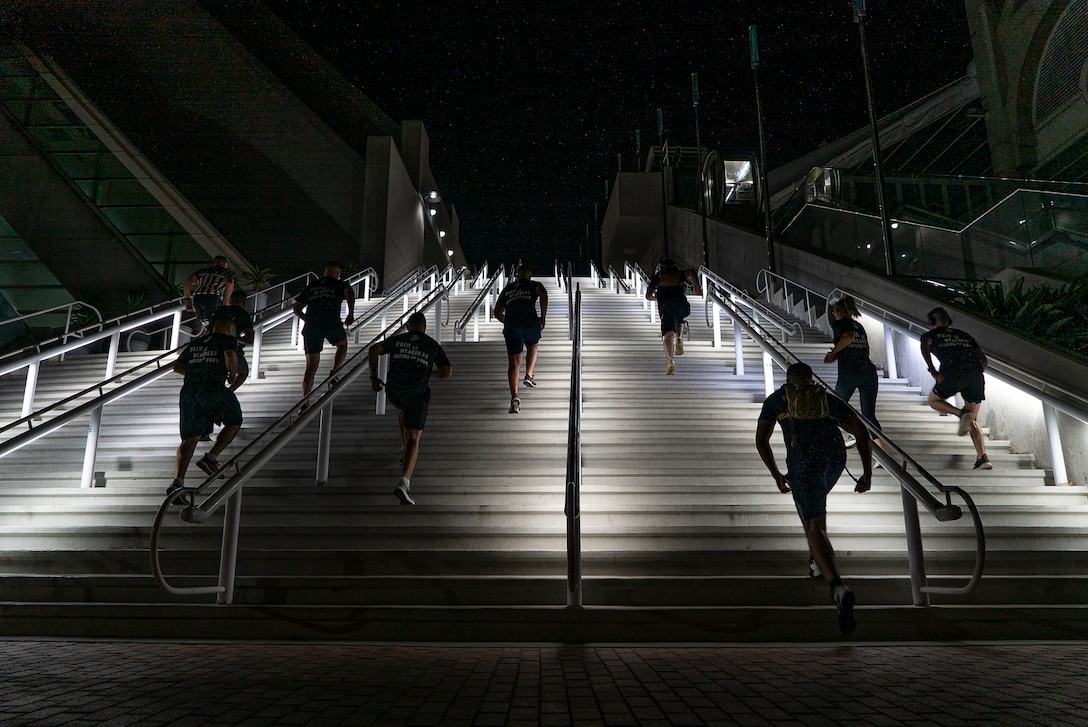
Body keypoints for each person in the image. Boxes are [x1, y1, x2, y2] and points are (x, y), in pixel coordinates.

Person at [755, 361, 872, 635]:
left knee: (813, 524)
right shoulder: (826, 398)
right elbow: (862, 432)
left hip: (803, 462)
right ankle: (816, 562)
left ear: (787, 380)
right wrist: (867, 473)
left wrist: (775, 474)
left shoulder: (776, 400)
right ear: (810, 378)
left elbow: (761, 440)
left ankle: (837, 587)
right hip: (833, 459)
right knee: (816, 508)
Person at [368, 311, 452, 505]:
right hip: (416, 393)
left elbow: (373, 350)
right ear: (424, 326)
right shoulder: (431, 344)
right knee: (414, 436)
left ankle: (403, 447)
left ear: (408, 326)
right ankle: (405, 482)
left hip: (394, 391)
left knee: (404, 410)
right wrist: (428, 373)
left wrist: (373, 378)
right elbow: (447, 372)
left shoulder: (399, 340)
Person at [168, 311, 243, 496]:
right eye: (233, 330)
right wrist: (232, 374)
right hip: (213, 388)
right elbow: (230, 355)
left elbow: (177, 366)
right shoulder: (227, 340)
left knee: (190, 437)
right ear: (229, 328)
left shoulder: (196, 343)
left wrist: (196, 374)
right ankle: (211, 457)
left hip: (190, 392)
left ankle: (178, 482)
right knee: (234, 420)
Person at [920, 306, 992, 470]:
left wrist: (933, 370)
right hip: (975, 375)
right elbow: (983, 359)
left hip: (952, 374)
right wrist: (976, 372)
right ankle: (983, 458)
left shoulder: (930, 335)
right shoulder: (963, 335)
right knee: (973, 420)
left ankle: (960, 414)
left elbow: (925, 345)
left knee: (933, 400)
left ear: (932, 322)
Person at [823, 295, 884, 452]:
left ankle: (856, 433)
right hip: (868, 371)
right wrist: (838, 353)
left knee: (835, 409)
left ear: (837, 311)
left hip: (850, 372)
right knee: (869, 414)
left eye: (834, 312)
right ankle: (881, 452)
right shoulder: (859, 326)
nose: (834, 315)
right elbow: (866, 349)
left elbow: (848, 337)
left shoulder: (839, 324)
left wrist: (832, 354)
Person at [293, 262, 355, 399]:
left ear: (324, 273)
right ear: (337, 274)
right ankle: (334, 372)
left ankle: (305, 400)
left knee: (311, 366)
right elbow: (349, 293)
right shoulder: (339, 284)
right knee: (342, 344)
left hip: (312, 327)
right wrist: (351, 314)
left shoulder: (312, 285)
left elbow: (296, 309)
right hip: (331, 322)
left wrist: (308, 319)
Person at [494, 265, 548, 414]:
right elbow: (543, 294)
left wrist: (509, 322)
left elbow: (497, 312)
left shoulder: (509, 288)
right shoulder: (534, 285)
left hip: (513, 326)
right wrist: (543, 317)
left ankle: (515, 397)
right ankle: (529, 375)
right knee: (533, 346)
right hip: (530, 322)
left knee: (514, 363)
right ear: (530, 274)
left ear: (517, 275)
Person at [645, 259, 702, 375]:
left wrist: (658, 297)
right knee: (680, 318)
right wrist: (697, 286)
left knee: (668, 334)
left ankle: (670, 361)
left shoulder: (657, 278)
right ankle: (680, 339)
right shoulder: (679, 275)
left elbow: (648, 296)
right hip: (679, 302)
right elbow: (691, 272)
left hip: (665, 307)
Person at [183, 255, 235, 335]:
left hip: (197, 297)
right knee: (214, 321)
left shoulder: (202, 272)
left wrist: (187, 300)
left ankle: (206, 337)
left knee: (205, 322)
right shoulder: (226, 272)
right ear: (225, 264)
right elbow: (230, 282)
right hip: (213, 296)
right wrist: (226, 301)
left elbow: (188, 282)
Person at [215, 289, 255, 389]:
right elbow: (249, 339)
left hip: (213, 346)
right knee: (243, 371)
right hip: (232, 349)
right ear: (244, 302)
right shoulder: (243, 314)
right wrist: (236, 339)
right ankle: (229, 392)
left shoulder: (220, 310)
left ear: (231, 301)